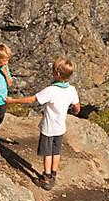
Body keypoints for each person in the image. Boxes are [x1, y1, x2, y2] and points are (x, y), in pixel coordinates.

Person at [6, 58, 80, 190]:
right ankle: (54, 175)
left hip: (48, 128)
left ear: (57, 74)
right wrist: (74, 111)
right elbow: (77, 107)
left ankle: (46, 178)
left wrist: (13, 101)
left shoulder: (51, 90)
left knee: (47, 153)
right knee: (56, 152)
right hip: (60, 128)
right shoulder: (71, 90)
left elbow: (32, 99)